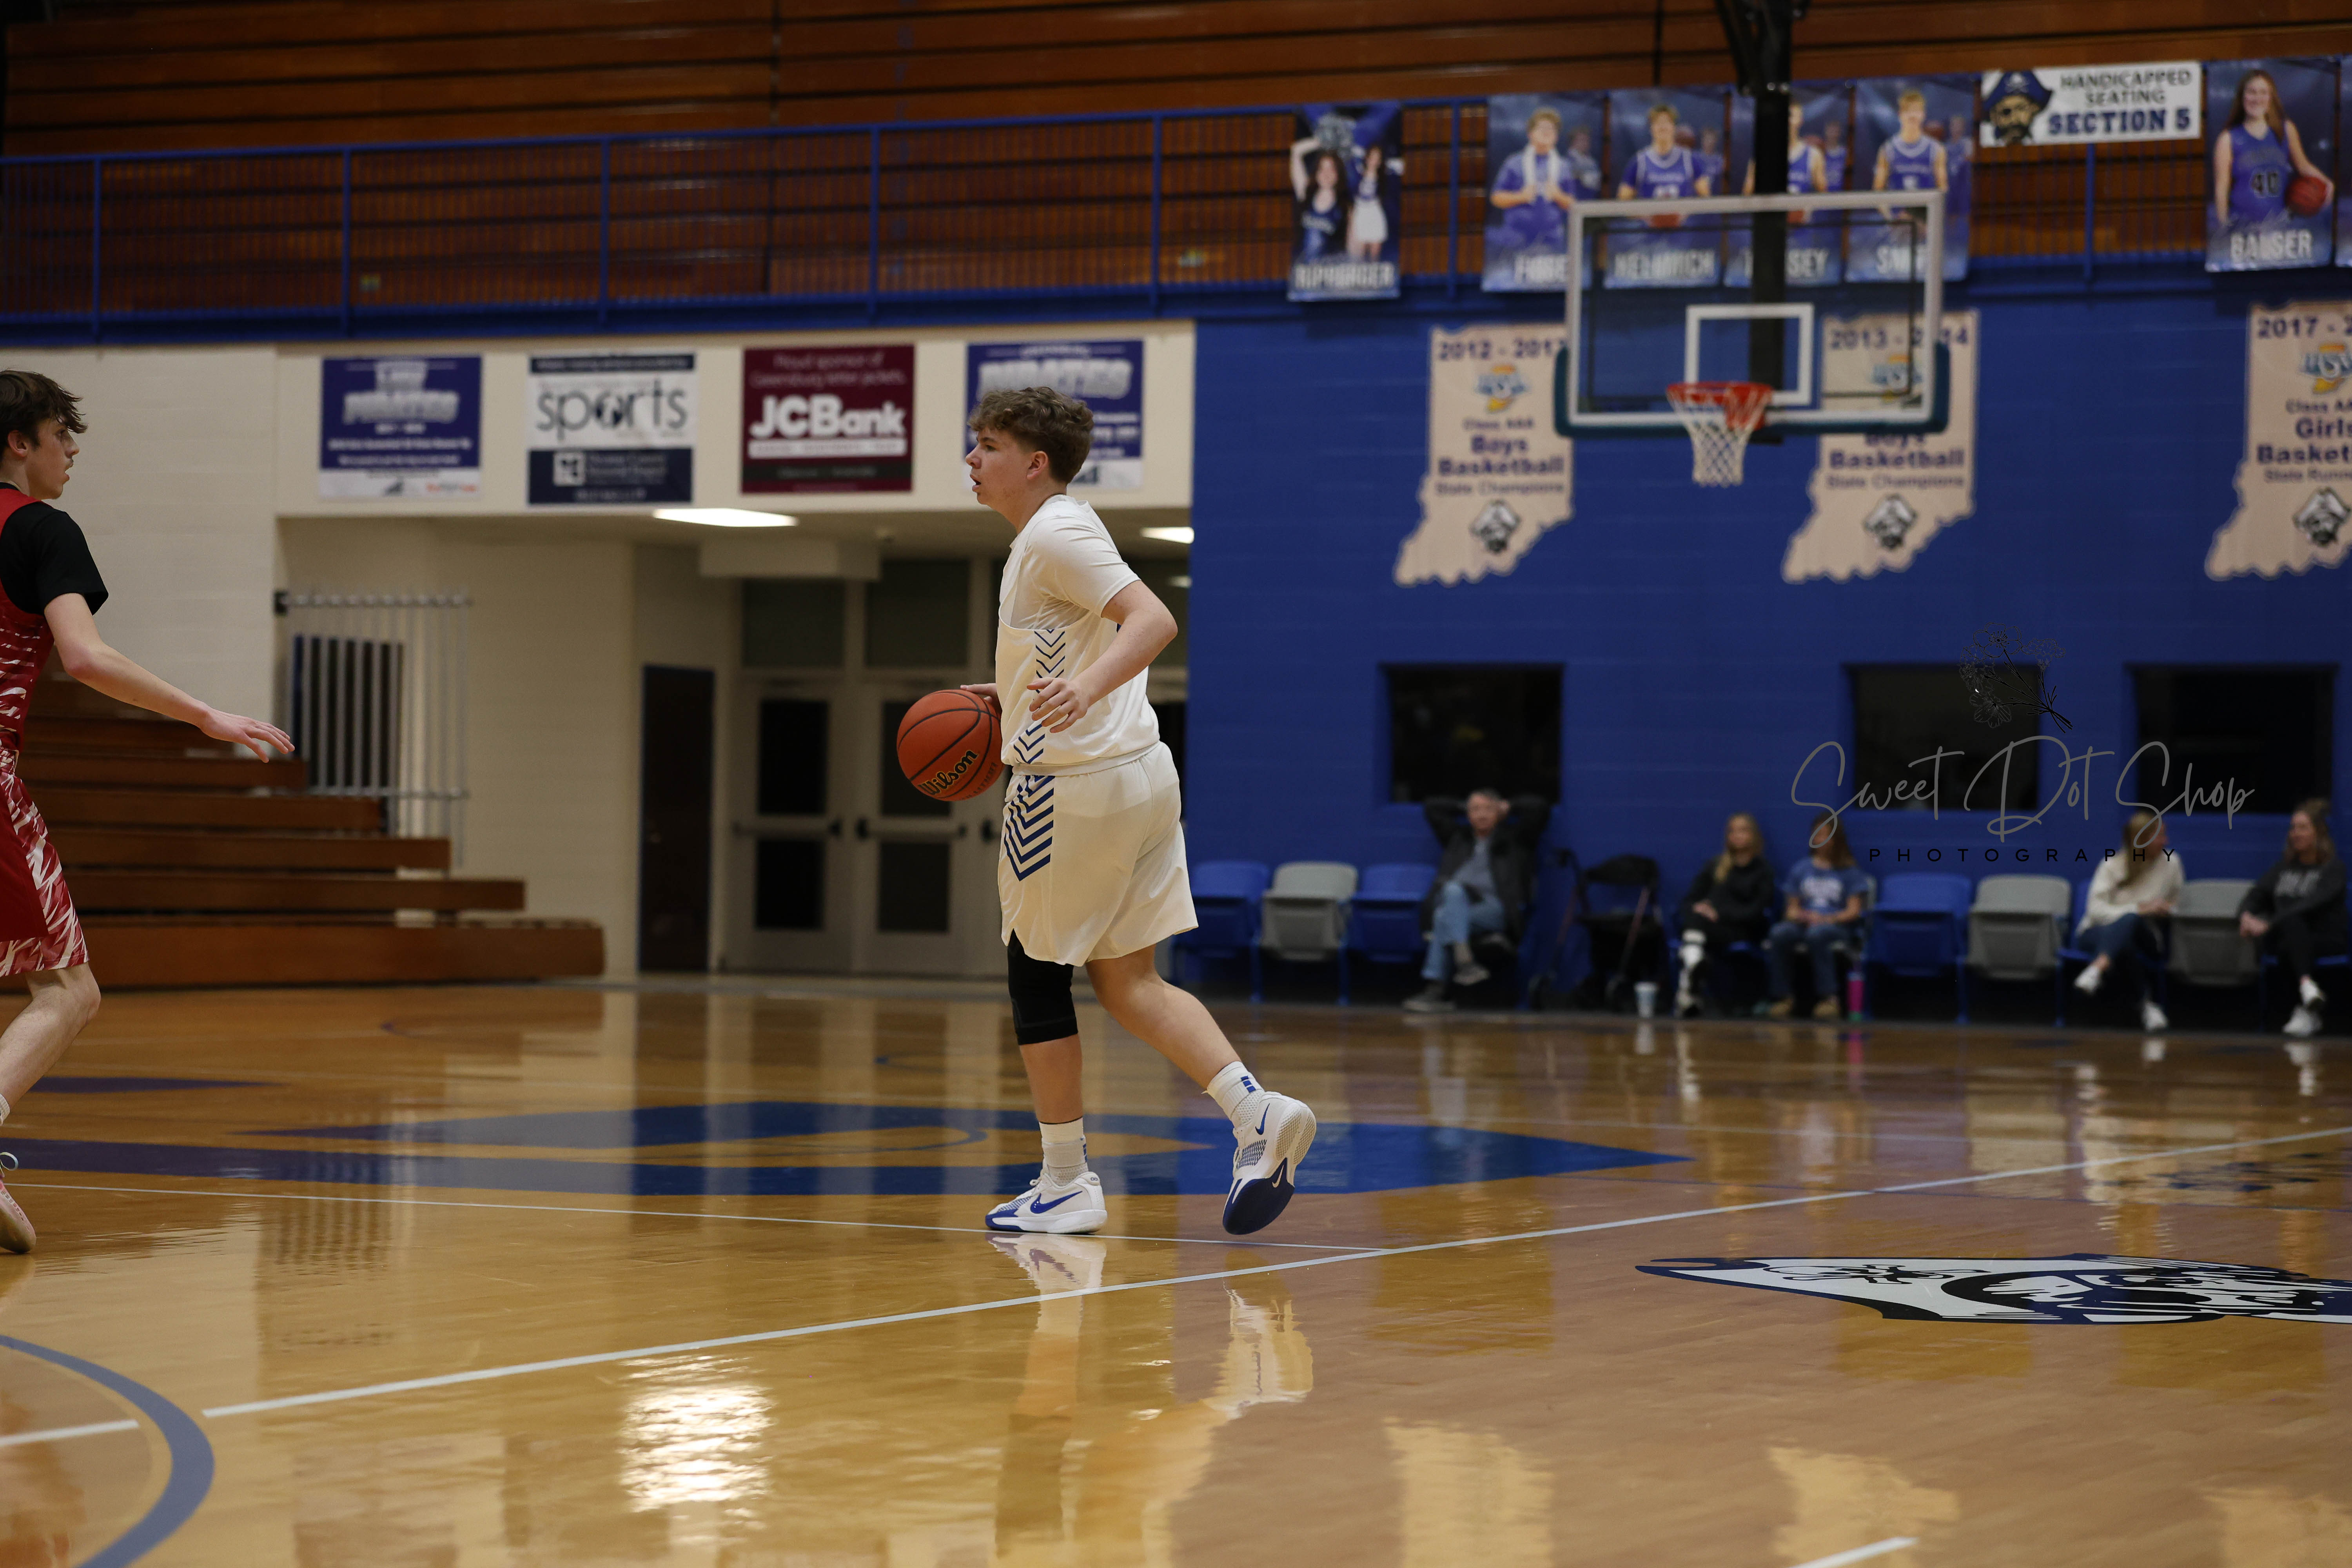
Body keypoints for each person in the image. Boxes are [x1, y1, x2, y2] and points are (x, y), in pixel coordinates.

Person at [960, 386, 1315, 1237]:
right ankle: (1256, 1113)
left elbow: (1152, 620)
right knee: (1129, 981)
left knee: (1036, 974)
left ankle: (1065, 1180)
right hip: (1138, 776)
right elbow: (1082, 640)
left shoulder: (1055, 533)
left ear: (1034, 463)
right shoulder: (1055, 534)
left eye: (988, 446)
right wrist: (1015, 693)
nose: (971, 459)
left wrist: (1082, 689)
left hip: (1071, 787)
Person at [0, 370, 292, 1254]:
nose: (73, 451)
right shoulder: (40, 529)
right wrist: (204, 714)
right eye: (61, 434)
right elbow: (85, 657)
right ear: (19, 442)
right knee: (69, 989)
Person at [1403, 789, 1552, 1014]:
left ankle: (1437, 990)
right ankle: (1465, 962)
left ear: (1499, 812)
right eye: (1476, 810)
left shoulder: (1516, 839)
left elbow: (1539, 808)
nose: (1482, 815)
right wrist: (1463, 806)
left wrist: (1509, 806)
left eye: (1488, 809)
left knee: (1444, 915)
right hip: (1460, 905)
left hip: (1494, 908)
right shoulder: (1458, 838)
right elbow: (1433, 807)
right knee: (1452, 896)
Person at [2238, 799, 2345, 1039]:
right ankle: (2307, 992)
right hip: (2287, 940)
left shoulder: (2333, 869)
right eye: (2293, 828)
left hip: (2325, 938)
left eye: (2303, 828)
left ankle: (2304, 1007)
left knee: (2293, 919)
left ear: (2319, 833)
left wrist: (2269, 924)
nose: (2296, 833)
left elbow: (2312, 903)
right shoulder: (2283, 869)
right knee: (2288, 933)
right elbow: (2255, 896)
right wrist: (2246, 917)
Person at [2071, 808, 2181, 1033]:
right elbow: (2095, 911)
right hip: (2097, 933)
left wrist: (2164, 910)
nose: (2166, 841)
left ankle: (2097, 969)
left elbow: (2177, 905)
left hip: (2147, 935)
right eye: (2160, 836)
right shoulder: (2112, 865)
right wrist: (2139, 909)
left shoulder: (2171, 863)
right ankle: (2148, 1007)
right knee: (2125, 940)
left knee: (2131, 922)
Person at [1765, 812, 1868, 1020]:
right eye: (1817, 834)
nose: (1821, 840)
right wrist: (1802, 916)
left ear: (1837, 839)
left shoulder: (1850, 872)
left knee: (1818, 934)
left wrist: (1825, 919)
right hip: (1805, 923)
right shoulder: (1801, 869)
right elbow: (1791, 909)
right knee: (1779, 933)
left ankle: (1829, 999)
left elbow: (1854, 911)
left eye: (1826, 835)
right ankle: (1783, 997)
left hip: (1836, 927)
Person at [1672, 812, 1775, 1017]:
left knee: (1694, 931)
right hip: (1708, 928)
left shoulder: (1762, 870)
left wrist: (1720, 914)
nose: (1738, 835)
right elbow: (1690, 900)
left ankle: (1689, 990)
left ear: (1754, 836)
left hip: (1741, 929)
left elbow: (1757, 911)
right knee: (1696, 918)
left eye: (1743, 830)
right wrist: (1700, 907)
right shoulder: (1716, 865)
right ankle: (1694, 974)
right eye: (1733, 831)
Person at [2212, 70, 2332, 234]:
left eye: (2263, 93)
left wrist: (2328, 183)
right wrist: (2224, 228)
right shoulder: (2227, 139)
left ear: (2271, 98)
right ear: (2242, 97)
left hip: (2279, 225)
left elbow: (2303, 166)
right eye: (2252, 92)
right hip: (2243, 226)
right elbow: (2222, 189)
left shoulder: (2286, 130)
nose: (2257, 99)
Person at [1489, 107, 1576, 252]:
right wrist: (1521, 197)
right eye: (1542, 128)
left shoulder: (1564, 166)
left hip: (1552, 241)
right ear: (1530, 133)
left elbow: (1573, 204)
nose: (1547, 132)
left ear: (1557, 137)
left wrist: (1558, 196)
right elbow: (1496, 198)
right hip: (1516, 240)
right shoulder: (1514, 163)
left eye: (1551, 129)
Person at [1619, 105, 1710, 201]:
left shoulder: (1689, 159)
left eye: (1667, 122)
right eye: (1658, 123)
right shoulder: (1640, 161)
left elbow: (1706, 196)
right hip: (1650, 211)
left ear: (1674, 127)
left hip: (1682, 211)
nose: (1663, 127)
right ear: (1651, 128)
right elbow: (1623, 199)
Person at [1875, 90, 1948, 196]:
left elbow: (1943, 191)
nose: (1912, 115)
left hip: (1925, 207)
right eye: (1908, 111)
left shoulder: (1936, 149)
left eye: (1916, 111)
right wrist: (1888, 209)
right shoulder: (1888, 149)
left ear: (1923, 114)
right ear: (1900, 114)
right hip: (1897, 206)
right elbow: (1878, 192)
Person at [1288, 140, 1348, 263]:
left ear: (1338, 174)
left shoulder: (1344, 207)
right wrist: (1322, 141)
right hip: (1303, 270)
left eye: (1331, 169)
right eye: (1322, 169)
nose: (1326, 174)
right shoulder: (1305, 194)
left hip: (1330, 270)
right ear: (1316, 173)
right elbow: (1296, 150)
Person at [1347, 143, 1394, 261]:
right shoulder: (1358, 175)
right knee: (1360, 253)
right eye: (1372, 157)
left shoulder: (1385, 178)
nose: (1374, 161)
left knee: (1375, 253)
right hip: (1361, 212)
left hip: (1375, 213)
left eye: (1378, 159)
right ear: (1367, 158)